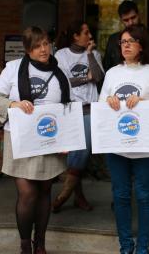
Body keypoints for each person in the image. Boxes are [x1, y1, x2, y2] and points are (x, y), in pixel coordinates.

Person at [0, 26, 71, 254]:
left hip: (49, 139)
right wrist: (13, 105)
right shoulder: (13, 69)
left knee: (45, 191)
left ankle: (40, 244)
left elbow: (68, 108)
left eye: (45, 43)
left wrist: (67, 140)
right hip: (21, 139)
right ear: (27, 50)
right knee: (28, 193)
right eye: (36, 46)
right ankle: (25, 243)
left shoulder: (60, 71)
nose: (43, 49)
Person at [99, 24, 149, 254]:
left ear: (141, 45)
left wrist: (144, 103)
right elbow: (101, 107)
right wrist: (108, 101)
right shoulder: (111, 73)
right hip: (117, 147)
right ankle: (126, 246)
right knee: (120, 196)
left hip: (146, 148)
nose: (125, 45)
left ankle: (143, 248)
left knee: (146, 197)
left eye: (130, 41)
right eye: (122, 42)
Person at [52, 21, 104, 213]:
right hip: (71, 110)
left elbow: (98, 77)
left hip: (91, 110)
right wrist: (86, 77)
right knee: (75, 152)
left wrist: (89, 54)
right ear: (75, 36)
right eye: (86, 32)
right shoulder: (61, 55)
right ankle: (79, 197)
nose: (89, 36)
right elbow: (63, 82)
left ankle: (63, 195)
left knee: (82, 151)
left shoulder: (94, 54)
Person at [103, 0, 149, 82]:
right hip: (119, 88)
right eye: (126, 20)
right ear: (121, 20)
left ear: (139, 15)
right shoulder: (113, 40)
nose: (131, 22)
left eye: (133, 17)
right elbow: (106, 68)